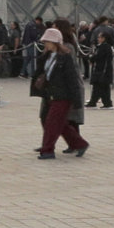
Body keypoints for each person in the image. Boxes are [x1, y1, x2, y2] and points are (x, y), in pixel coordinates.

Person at [32, 27, 89, 159]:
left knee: (52, 123)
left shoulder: (65, 57)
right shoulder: (46, 56)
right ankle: (80, 143)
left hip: (63, 96)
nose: (45, 43)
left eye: (47, 41)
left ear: (54, 42)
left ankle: (47, 150)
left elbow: (72, 79)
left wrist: (76, 100)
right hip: (50, 94)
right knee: (61, 124)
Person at [86, 31, 114, 109]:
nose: (98, 38)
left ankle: (97, 102)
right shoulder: (102, 46)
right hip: (101, 69)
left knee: (100, 86)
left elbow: (99, 57)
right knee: (100, 87)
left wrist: (91, 58)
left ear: (104, 38)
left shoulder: (104, 47)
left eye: (99, 37)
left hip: (102, 70)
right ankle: (103, 102)